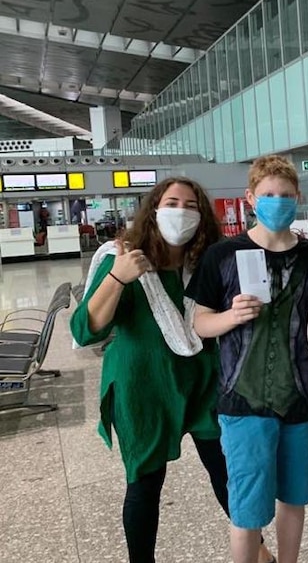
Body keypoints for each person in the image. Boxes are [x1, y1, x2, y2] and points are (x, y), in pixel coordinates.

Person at [70, 177, 273, 563]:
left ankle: (260, 554)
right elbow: (85, 330)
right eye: (172, 202)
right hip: (142, 385)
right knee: (146, 484)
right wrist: (117, 278)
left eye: (192, 205)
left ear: (202, 216)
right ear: (154, 209)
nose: (181, 211)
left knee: (228, 473)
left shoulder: (208, 263)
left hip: (203, 381)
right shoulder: (123, 257)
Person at [187, 155, 308, 563]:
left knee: (294, 498)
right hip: (243, 402)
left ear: (298, 199)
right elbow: (199, 323)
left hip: (300, 399)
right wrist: (229, 317)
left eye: (285, 195)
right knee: (247, 511)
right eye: (268, 195)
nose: (277, 202)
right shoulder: (222, 255)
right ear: (251, 198)